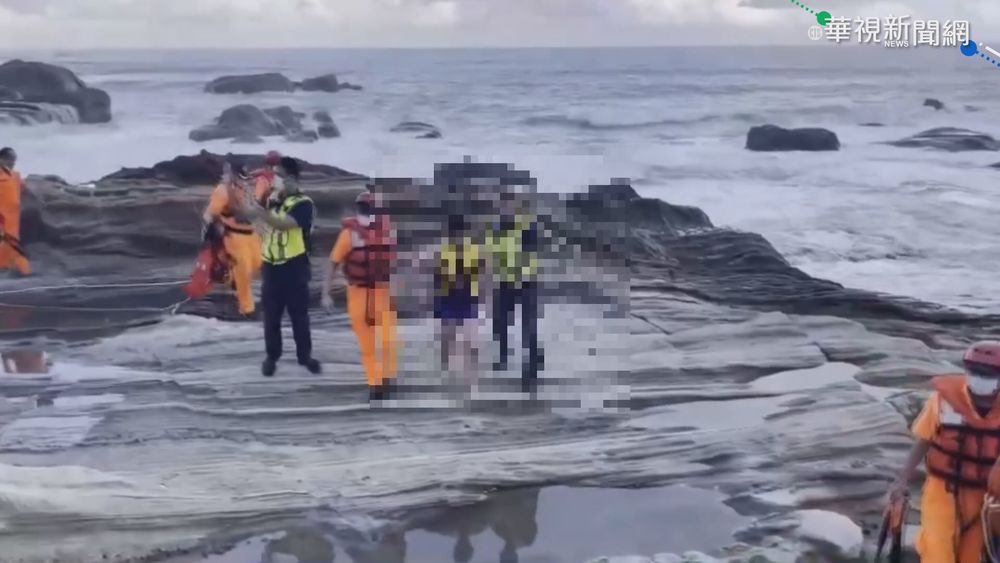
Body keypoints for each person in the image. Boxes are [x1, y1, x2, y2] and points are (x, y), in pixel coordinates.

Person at [888, 341, 1000, 563]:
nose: (980, 378)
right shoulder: (941, 401)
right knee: (937, 551)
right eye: (975, 371)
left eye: (987, 374)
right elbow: (923, 441)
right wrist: (901, 482)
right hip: (942, 491)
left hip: (986, 499)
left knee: (973, 556)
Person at [237, 156, 321, 377]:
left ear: (291, 178)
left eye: (278, 175)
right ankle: (272, 356)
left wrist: (262, 212)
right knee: (271, 316)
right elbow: (250, 215)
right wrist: (243, 199)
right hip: (271, 267)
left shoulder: (304, 204)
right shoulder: (271, 198)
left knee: (298, 316)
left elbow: (284, 225)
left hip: (294, 267)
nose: (273, 179)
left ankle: (305, 356)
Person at [323, 188, 398, 402]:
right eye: (364, 208)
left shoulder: (388, 231)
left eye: (369, 208)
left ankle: (388, 379)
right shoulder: (349, 234)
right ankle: (375, 384)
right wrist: (326, 293)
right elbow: (333, 263)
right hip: (358, 292)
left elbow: (398, 262)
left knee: (387, 340)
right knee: (367, 344)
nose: (366, 212)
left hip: (383, 291)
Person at [485, 193, 542, 392]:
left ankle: (532, 366)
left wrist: (521, 277)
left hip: (526, 283)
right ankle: (502, 357)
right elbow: (491, 254)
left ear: (516, 206)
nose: (505, 208)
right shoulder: (495, 229)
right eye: (502, 205)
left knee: (528, 325)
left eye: (509, 205)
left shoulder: (526, 226)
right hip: (504, 282)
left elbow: (529, 255)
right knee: (499, 322)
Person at [201, 161, 262, 317]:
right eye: (241, 175)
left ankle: (232, 279)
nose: (245, 178)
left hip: (252, 236)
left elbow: (255, 209)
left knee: (260, 265)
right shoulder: (223, 191)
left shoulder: (248, 187)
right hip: (234, 237)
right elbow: (209, 215)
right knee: (244, 271)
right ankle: (247, 309)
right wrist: (212, 231)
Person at [434, 213, 484, 391]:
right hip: (449, 299)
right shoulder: (442, 251)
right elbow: (436, 277)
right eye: (455, 234)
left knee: (471, 340)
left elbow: (484, 274)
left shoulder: (474, 250)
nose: (458, 238)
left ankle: (474, 378)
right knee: (448, 337)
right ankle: (444, 373)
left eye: (461, 234)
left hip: (468, 299)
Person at [0, 147, 30, 276]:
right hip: (3, 228)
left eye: (14, 160)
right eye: (9, 160)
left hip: (12, 231)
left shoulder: (15, 176)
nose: (12, 163)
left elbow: (24, 188)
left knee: (20, 265)